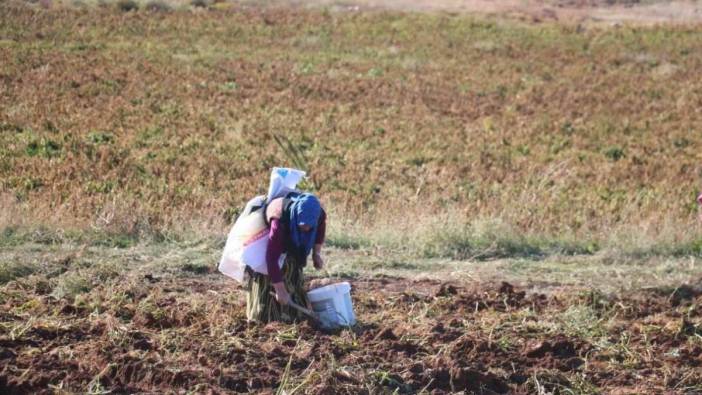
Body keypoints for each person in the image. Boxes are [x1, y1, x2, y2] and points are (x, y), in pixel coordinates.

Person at [245, 191, 326, 323]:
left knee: (292, 269)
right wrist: (280, 290)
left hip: (291, 234)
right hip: (268, 236)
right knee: (266, 274)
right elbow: (271, 259)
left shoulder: (318, 214)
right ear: (296, 217)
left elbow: (320, 230)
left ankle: (294, 316)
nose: (305, 229)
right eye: (302, 225)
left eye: (309, 227)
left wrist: (316, 254)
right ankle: (267, 317)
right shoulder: (278, 222)